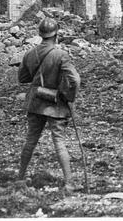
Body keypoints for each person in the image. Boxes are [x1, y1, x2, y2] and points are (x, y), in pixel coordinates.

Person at [16, 18, 81, 192]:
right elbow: (74, 80)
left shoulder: (30, 54)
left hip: (35, 102)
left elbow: (22, 78)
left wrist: (38, 78)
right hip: (55, 104)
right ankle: (68, 183)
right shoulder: (61, 55)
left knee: (30, 140)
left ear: (40, 34)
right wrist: (69, 97)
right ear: (57, 34)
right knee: (59, 141)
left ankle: (20, 178)